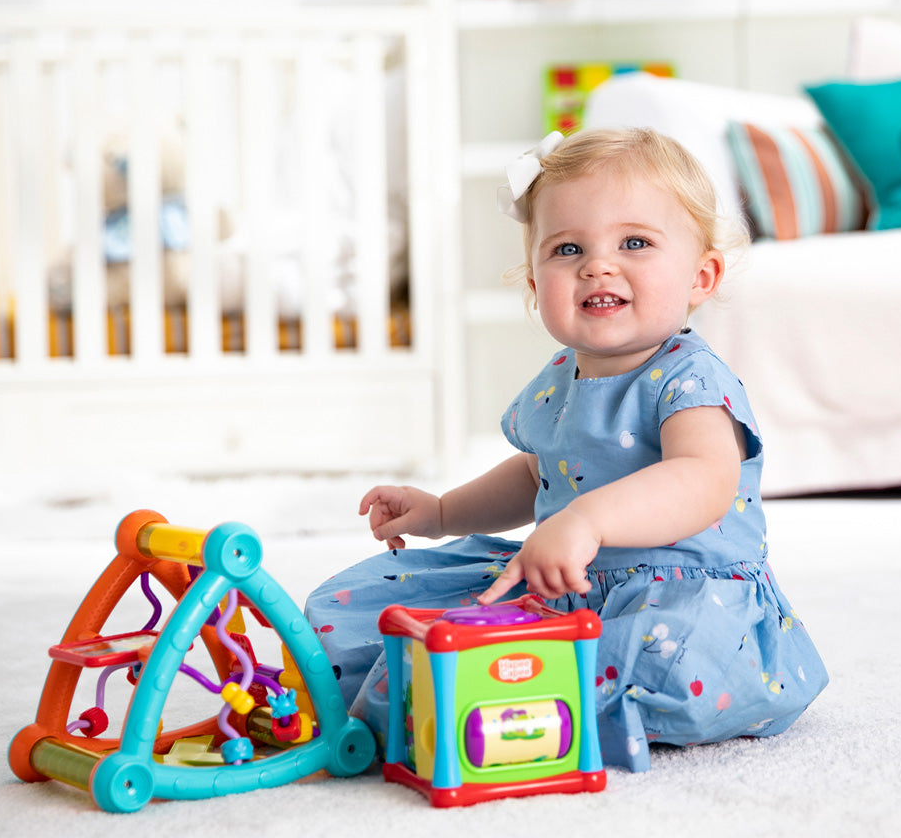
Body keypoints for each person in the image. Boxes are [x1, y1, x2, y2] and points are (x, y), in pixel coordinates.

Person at [305, 127, 828, 772]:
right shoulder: (559, 380)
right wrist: (441, 511)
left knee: (668, 657)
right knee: (366, 606)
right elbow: (535, 472)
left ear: (701, 276)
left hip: (681, 591)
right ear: (533, 283)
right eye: (568, 248)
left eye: (635, 243)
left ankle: (515, 704)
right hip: (560, 585)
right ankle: (466, 687)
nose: (598, 265)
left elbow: (703, 478)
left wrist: (586, 521)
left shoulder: (690, 378)